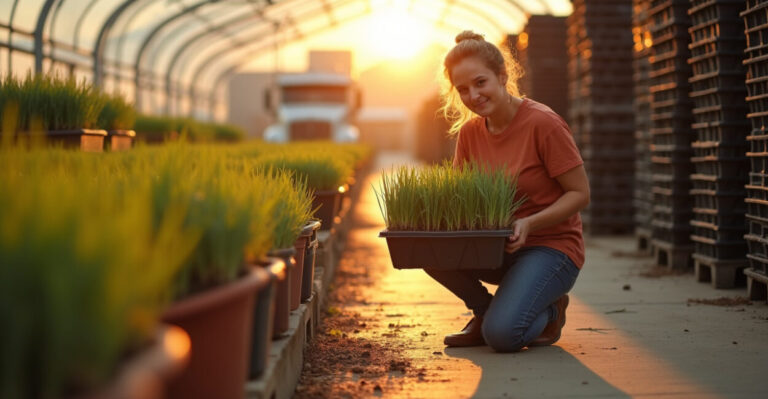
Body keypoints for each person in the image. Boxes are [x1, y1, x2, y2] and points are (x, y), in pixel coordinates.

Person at [426, 30, 590, 352]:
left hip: (550, 247)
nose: (473, 95)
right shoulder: (470, 133)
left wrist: (530, 223)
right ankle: (484, 311)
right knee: (425, 246)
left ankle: (552, 309)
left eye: (480, 83)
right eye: (462, 89)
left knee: (502, 336)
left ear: (502, 76)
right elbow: (465, 198)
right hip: (498, 247)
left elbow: (580, 194)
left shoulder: (543, 124)